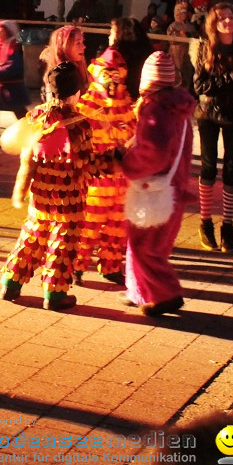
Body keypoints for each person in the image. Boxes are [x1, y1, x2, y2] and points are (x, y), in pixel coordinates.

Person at [1, 62, 96, 310]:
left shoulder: (36, 116)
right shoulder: (81, 125)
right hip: (70, 196)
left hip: (40, 192)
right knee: (63, 242)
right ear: (77, 92)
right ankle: (55, 294)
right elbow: (86, 162)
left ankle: (11, 283)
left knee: (33, 236)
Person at [120, 52, 196, 317]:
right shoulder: (177, 107)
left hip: (155, 190)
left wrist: (126, 162)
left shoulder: (156, 109)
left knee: (145, 246)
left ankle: (166, 294)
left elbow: (153, 152)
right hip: (172, 189)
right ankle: (141, 291)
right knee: (156, 246)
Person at [193, 3, 233, 252]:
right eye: (222, 19)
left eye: (231, 18)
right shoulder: (205, 47)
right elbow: (200, 86)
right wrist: (232, 77)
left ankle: (227, 227)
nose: (228, 22)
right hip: (208, 113)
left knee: (231, 168)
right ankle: (205, 222)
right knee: (208, 166)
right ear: (214, 23)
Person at [74, 47, 135, 286]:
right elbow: (81, 136)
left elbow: (131, 129)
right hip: (97, 175)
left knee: (117, 223)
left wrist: (123, 133)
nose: (111, 80)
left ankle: (110, 265)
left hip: (121, 176)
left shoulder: (125, 102)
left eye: (115, 74)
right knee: (89, 223)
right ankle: (77, 264)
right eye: (107, 74)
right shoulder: (88, 103)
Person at [109, 17, 154, 100]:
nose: (109, 37)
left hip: (120, 105)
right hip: (144, 101)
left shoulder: (115, 58)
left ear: (119, 36)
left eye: (111, 34)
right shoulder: (150, 56)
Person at [39, 25, 88, 98]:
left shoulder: (79, 67)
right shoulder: (56, 76)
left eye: (82, 42)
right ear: (65, 46)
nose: (84, 47)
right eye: (78, 43)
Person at [166, 0, 199, 91]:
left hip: (188, 52)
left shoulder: (190, 26)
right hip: (176, 52)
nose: (183, 15)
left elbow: (195, 36)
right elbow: (170, 37)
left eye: (185, 13)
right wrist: (180, 35)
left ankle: (186, 90)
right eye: (181, 13)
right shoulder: (173, 26)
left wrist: (188, 35)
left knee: (186, 72)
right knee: (176, 72)